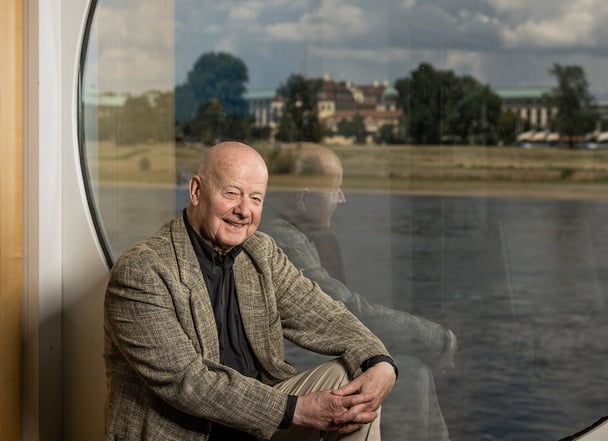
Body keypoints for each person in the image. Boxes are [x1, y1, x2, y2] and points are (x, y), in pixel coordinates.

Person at [103, 141, 397, 441]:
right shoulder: (142, 270)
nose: (244, 210)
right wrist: (299, 410)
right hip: (189, 433)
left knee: (354, 383)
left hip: (262, 425)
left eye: (255, 198)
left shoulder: (261, 252)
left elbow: (325, 316)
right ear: (195, 191)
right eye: (231, 193)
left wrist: (380, 362)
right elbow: (188, 383)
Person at [261, 143, 457, 441]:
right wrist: (434, 340)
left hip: (287, 376)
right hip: (272, 393)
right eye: (335, 189)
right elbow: (339, 308)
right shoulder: (280, 240)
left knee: (403, 370)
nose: (342, 198)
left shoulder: (293, 234)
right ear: (302, 198)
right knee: (410, 373)